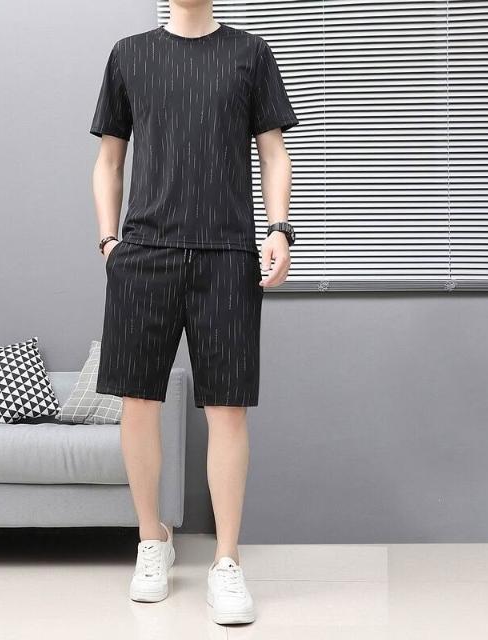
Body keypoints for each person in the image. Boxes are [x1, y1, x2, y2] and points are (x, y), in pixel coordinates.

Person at [89, 0, 298, 626]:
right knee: (138, 403)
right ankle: (151, 541)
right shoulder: (129, 55)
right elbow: (109, 159)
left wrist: (280, 230)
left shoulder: (250, 53)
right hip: (144, 252)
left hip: (228, 254)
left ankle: (227, 562)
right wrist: (110, 242)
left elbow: (273, 151)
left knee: (227, 408)